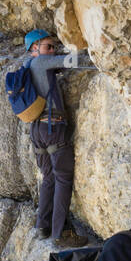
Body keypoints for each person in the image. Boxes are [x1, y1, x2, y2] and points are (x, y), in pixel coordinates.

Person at [23, 29, 91, 248]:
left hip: (37, 129)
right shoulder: (41, 63)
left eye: (54, 47)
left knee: (49, 178)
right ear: (35, 49)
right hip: (52, 127)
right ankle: (60, 233)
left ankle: (43, 226)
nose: (52, 50)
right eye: (48, 46)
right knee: (62, 177)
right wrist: (99, 55)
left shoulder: (28, 67)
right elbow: (70, 61)